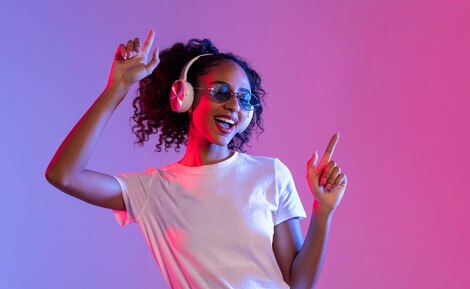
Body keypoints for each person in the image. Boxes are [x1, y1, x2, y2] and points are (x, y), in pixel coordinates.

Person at [45, 29, 348, 289]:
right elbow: (64, 175)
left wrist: (323, 211)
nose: (233, 105)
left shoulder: (271, 174)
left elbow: (298, 283)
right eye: (221, 92)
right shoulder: (153, 190)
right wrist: (117, 88)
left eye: (244, 98)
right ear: (184, 97)